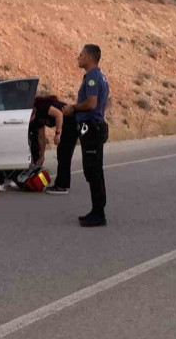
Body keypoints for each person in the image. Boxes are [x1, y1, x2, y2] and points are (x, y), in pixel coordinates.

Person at [62, 44, 110, 227]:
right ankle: (96, 210)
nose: (78, 57)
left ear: (89, 58)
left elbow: (91, 103)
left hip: (92, 128)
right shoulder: (100, 76)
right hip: (94, 126)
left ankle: (99, 214)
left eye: (81, 55)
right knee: (93, 170)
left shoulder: (92, 77)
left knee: (93, 171)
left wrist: (73, 108)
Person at [27, 95, 66, 169]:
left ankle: (63, 179)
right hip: (62, 125)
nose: (31, 119)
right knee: (61, 155)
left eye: (31, 116)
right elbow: (41, 137)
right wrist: (42, 155)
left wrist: (57, 134)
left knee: (63, 153)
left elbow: (59, 114)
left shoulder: (41, 106)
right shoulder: (35, 120)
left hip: (69, 119)